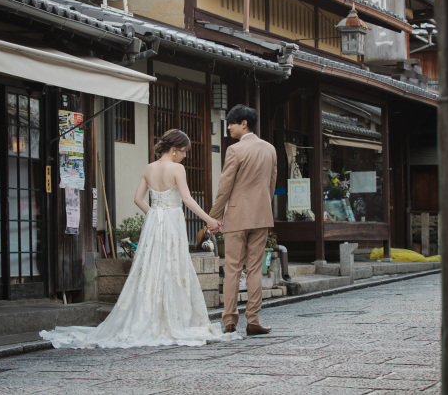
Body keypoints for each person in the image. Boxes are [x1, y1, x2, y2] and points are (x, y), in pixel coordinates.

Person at [40, 129, 240, 348]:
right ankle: (174, 317)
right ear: (175, 150)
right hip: (172, 221)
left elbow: (137, 199)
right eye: (184, 151)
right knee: (174, 266)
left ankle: (148, 315)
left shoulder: (149, 168)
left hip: (155, 221)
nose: (185, 155)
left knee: (151, 267)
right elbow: (186, 199)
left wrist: (155, 214)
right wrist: (209, 219)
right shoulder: (177, 169)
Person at [209, 104, 277, 336]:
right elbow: (271, 185)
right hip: (262, 215)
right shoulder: (270, 149)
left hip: (237, 216)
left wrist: (214, 216)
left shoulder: (235, 150)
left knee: (232, 269)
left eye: (231, 123)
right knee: (255, 269)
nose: (228, 127)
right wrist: (263, 207)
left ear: (244, 123)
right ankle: (254, 319)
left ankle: (229, 320)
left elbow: (225, 186)